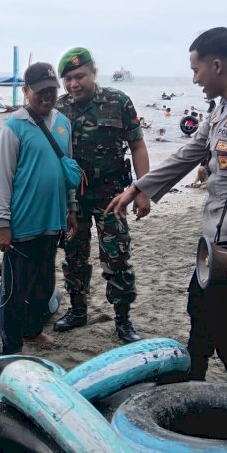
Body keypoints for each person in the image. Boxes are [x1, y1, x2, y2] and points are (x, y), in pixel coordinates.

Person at [106, 27, 227, 383]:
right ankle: (192, 387)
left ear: (217, 65)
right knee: (201, 315)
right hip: (213, 244)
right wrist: (138, 188)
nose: (194, 78)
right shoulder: (222, 110)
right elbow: (187, 154)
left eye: (196, 69)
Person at [53, 47, 150, 344]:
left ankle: (122, 320)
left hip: (112, 196)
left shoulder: (118, 102)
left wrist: (143, 190)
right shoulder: (59, 109)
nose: (74, 84)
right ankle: (77, 310)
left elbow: (138, 146)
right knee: (73, 255)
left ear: (94, 72)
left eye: (79, 76)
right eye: (68, 78)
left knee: (117, 257)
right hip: (73, 199)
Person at [0, 62, 78, 354]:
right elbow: (3, 179)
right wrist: (3, 224)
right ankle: (11, 346)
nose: (46, 96)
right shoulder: (13, 127)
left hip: (53, 221)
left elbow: (68, 171)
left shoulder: (64, 124)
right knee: (15, 290)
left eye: (51, 91)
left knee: (44, 285)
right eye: (40, 91)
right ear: (26, 90)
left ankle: (32, 331)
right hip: (21, 225)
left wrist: (71, 209)